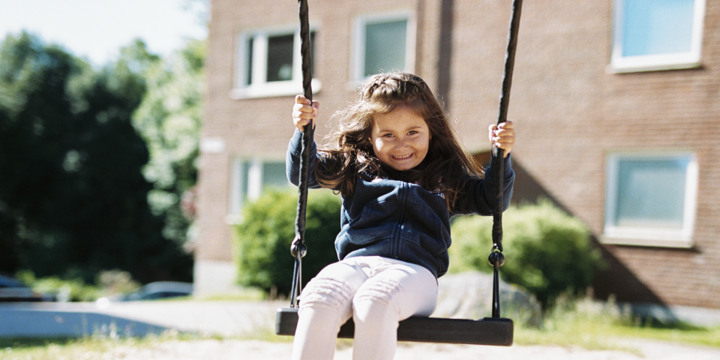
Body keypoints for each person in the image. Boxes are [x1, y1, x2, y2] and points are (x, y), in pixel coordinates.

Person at [286, 72, 515, 360]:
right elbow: (302, 173)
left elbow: (491, 199)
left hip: (415, 275)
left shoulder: (445, 176)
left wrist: (500, 157)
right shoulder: (356, 168)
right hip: (357, 265)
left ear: (431, 130)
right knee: (319, 296)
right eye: (388, 135)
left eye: (412, 133)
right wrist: (303, 132)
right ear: (370, 136)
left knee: (375, 300)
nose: (402, 145)